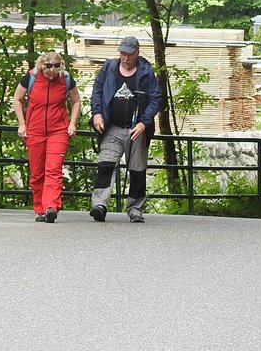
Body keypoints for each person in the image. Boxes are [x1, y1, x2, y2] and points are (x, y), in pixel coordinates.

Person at [88, 35, 161, 223]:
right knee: (106, 164)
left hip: (137, 129)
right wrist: (96, 113)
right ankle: (99, 205)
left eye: (129, 54)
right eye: (122, 53)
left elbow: (155, 99)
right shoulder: (109, 68)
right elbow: (97, 90)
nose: (125, 58)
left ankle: (135, 208)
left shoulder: (146, 72)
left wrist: (144, 122)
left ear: (137, 53)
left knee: (137, 169)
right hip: (112, 126)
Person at [13, 51, 81, 223]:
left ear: (61, 66)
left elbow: (76, 101)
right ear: (41, 65)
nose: (52, 70)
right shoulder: (31, 77)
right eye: (48, 66)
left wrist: (72, 123)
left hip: (58, 130)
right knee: (37, 172)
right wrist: (22, 124)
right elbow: (17, 99)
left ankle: (51, 206)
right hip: (35, 130)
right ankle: (40, 208)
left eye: (56, 66)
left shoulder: (65, 79)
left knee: (54, 169)